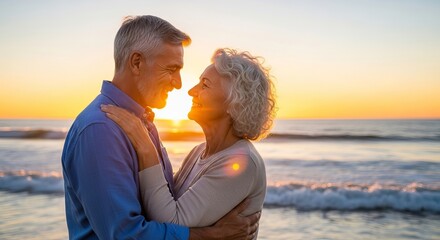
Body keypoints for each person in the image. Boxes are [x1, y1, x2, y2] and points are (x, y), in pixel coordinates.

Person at [61, 15, 259, 240]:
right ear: (136, 63)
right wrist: (211, 236)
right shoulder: (101, 131)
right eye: (172, 69)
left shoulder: (140, 122)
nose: (179, 84)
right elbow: (126, 235)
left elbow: (166, 204)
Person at [101, 48, 276, 239]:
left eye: (205, 85)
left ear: (234, 102)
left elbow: (169, 221)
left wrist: (145, 146)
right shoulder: (199, 152)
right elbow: (163, 202)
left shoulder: (242, 162)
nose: (192, 91)